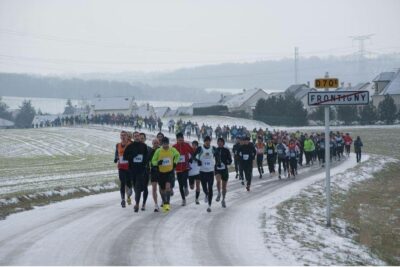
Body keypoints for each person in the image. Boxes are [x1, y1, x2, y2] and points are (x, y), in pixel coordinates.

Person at [151, 137, 180, 213]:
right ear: (162, 144)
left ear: (168, 143)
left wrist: (175, 162)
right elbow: (153, 160)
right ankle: (164, 201)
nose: (165, 145)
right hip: (161, 172)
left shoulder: (172, 149)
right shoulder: (158, 151)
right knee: (162, 189)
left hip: (169, 172)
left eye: (166, 143)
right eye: (164, 144)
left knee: (168, 187)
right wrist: (157, 163)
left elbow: (178, 155)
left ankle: (167, 203)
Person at [123, 131, 149, 212]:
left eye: (138, 136)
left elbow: (146, 157)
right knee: (135, 186)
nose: (137, 137)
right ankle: (137, 201)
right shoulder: (130, 146)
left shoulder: (144, 146)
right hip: (132, 170)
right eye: (135, 136)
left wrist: (144, 165)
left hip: (141, 170)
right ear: (133, 137)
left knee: (137, 186)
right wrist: (133, 155)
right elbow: (125, 157)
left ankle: (137, 204)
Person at [173, 132, 194, 206]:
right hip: (178, 168)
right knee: (180, 185)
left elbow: (192, 152)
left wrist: (191, 158)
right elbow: (171, 155)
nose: (180, 141)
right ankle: (183, 199)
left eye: (181, 139)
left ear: (183, 138)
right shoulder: (174, 147)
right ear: (177, 140)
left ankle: (186, 187)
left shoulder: (186, 145)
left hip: (185, 166)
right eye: (179, 139)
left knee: (184, 179)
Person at [196, 136, 216, 212]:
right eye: (206, 141)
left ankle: (209, 206)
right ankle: (206, 194)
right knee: (204, 188)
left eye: (209, 141)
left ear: (210, 141)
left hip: (210, 172)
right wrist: (197, 160)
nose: (208, 142)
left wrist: (219, 162)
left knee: (210, 188)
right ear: (204, 141)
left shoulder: (213, 148)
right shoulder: (200, 149)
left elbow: (217, 155)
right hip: (202, 172)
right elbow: (194, 156)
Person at [114, 130, 132, 208]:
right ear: (120, 136)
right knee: (122, 183)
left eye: (124, 135)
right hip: (121, 167)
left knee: (129, 184)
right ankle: (123, 200)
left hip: (129, 167)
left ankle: (128, 196)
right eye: (122, 135)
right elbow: (116, 154)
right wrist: (115, 158)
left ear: (127, 136)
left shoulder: (131, 144)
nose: (123, 136)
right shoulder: (118, 145)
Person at [214, 137, 232, 208]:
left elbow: (230, 160)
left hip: (224, 170)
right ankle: (219, 193)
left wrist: (227, 162)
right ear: (217, 143)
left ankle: (223, 200)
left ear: (223, 143)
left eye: (221, 142)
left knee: (224, 187)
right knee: (218, 181)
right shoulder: (215, 150)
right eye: (218, 142)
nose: (220, 143)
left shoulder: (226, 150)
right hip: (217, 169)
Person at [188, 140, 202, 204]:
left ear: (197, 146)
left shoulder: (199, 153)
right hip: (190, 172)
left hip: (198, 171)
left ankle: (197, 199)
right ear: (192, 145)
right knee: (191, 187)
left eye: (195, 145)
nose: (194, 146)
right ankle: (190, 185)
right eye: (193, 145)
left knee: (198, 185)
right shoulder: (189, 152)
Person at [149, 138, 161, 212]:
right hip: (153, 171)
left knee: (162, 188)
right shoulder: (150, 151)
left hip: (162, 171)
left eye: (157, 143)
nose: (155, 144)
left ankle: (163, 200)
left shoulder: (162, 150)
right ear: (152, 144)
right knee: (154, 188)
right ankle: (156, 204)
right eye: (154, 143)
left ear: (159, 143)